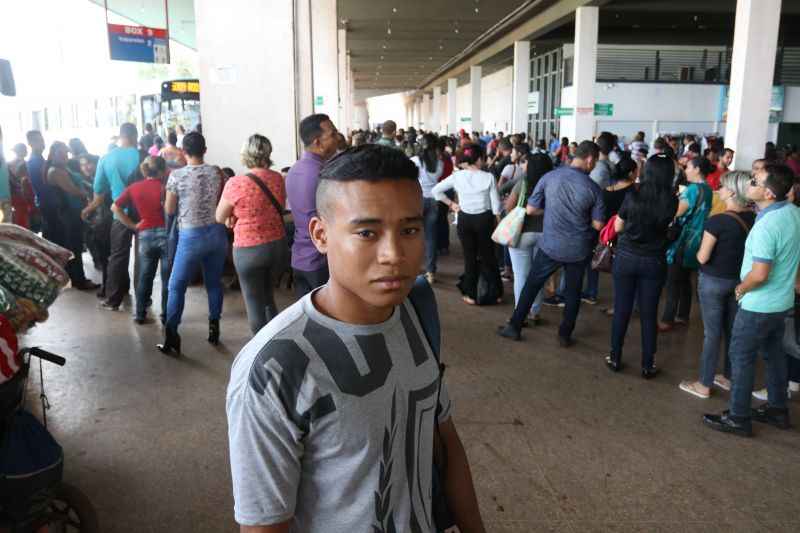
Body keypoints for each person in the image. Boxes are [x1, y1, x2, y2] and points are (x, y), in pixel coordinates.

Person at [226, 144, 485, 532]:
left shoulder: (415, 309)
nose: (393, 254)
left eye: (410, 230)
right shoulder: (275, 368)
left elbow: (442, 437)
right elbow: (265, 525)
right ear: (320, 235)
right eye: (367, 232)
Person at [703, 164, 800, 437]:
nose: (749, 183)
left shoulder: (767, 226)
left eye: (755, 181)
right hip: (781, 303)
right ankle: (778, 409)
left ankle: (738, 417)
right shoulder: (793, 213)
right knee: (773, 356)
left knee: (741, 357)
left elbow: (759, 274)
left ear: (768, 193)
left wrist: (741, 289)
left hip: (758, 304)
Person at [497, 141, 605, 345]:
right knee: (573, 293)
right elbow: (598, 225)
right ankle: (564, 335)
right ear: (590, 159)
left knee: (531, 284)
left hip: (550, 245)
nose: (595, 165)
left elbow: (531, 210)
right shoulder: (593, 188)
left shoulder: (550, 177)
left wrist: (553, 209)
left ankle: (514, 326)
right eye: (596, 162)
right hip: (577, 249)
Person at [679, 171, 755, 399]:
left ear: (732, 192)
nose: (719, 190)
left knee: (711, 334)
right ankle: (729, 377)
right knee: (732, 331)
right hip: (739, 281)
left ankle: (704, 383)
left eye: (722, 186)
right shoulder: (753, 218)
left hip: (713, 281)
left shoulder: (718, 221)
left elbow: (702, 257)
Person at [604, 155, 678, 378]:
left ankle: (615, 357)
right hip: (654, 261)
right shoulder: (671, 200)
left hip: (626, 257)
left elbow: (618, 226)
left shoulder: (632, 194)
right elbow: (669, 228)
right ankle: (648, 364)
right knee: (649, 313)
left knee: (622, 310)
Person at [158, 132, 227, 354]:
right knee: (214, 284)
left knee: (176, 286)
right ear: (205, 150)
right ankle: (214, 328)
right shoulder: (217, 172)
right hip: (217, 234)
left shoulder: (176, 176)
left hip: (190, 237)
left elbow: (169, 209)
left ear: (183, 152)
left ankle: (171, 336)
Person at [216, 134, 289, 335]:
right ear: (268, 152)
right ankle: (276, 340)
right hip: (278, 246)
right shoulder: (278, 178)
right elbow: (279, 207)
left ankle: (260, 350)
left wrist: (232, 218)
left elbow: (219, 216)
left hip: (250, 250)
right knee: (268, 297)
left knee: (254, 301)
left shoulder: (235, 182)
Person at [432, 144, 502, 305]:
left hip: (465, 219)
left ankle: (471, 294)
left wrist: (452, 205)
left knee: (469, 257)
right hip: (484, 219)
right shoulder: (488, 177)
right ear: (478, 159)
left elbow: (436, 190)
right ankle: (495, 293)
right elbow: (496, 205)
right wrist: (498, 221)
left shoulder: (457, 176)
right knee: (488, 256)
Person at [82, 123, 142, 309]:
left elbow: (99, 192)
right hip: (144, 214)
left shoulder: (106, 158)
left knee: (117, 256)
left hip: (120, 215)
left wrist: (89, 208)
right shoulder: (145, 155)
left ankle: (114, 299)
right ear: (135, 135)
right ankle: (143, 298)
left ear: (120, 136)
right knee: (143, 257)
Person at [111, 156, 170, 325]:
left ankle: (140, 313)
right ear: (163, 170)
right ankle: (166, 315)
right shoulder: (166, 188)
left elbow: (115, 207)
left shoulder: (134, 187)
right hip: (165, 234)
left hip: (144, 235)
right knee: (167, 277)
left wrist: (133, 225)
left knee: (145, 275)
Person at [286, 114, 339, 297]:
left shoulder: (295, 170)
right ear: (318, 142)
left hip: (300, 258)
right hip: (321, 261)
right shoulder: (324, 174)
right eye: (332, 134)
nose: (337, 138)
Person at [659, 157, 713, 331]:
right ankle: (682, 315)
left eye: (688, 167)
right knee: (685, 279)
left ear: (697, 169)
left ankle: (667, 319)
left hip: (683, 239)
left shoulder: (692, 190)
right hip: (697, 240)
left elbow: (676, 212)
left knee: (673, 280)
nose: (685, 170)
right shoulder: (708, 189)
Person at [504, 152, 553, 324]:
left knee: (521, 276)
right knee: (537, 275)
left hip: (522, 234)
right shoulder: (552, 184)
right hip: (545, 235)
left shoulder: (523, 183)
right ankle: (534, 312)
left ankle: (520, 313)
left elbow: (509, 207)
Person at [43, 142, 98, 291]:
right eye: (61, 154)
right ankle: (79, 280)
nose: (65, 157)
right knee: (74, 248)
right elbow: (72, 190)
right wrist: (86, 193)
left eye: (66, 154)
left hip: (71, 212)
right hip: (66, 214)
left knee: (75, 246)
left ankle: (77, 278)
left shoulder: (61, 168)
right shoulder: (55, 171)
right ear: (53, 154)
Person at [410, 133, 444, 284]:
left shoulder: (415, 161)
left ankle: (415, 268)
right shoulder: (439, 163)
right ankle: (431, 272)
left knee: (413, 235)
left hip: (418, 199)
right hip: (434, 200)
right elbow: (438, 179)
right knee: (431, 237)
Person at [26, 130, 55, 238]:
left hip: (47, 201)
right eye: (38, 141)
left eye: (42, 140)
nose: (42, 143)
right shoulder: (33, 161)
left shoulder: (40, 158)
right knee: (53, 234)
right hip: (46, 201)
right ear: (30, 143)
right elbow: (45, 180)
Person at [8, 143, 36, 229]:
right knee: (24, 222)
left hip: (11, 196)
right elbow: (26, 181)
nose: (27, 151)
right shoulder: (25, 164)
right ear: (21, 151)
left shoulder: (7, 164)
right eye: (25, 149)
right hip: (22, 196)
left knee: (17, 220)